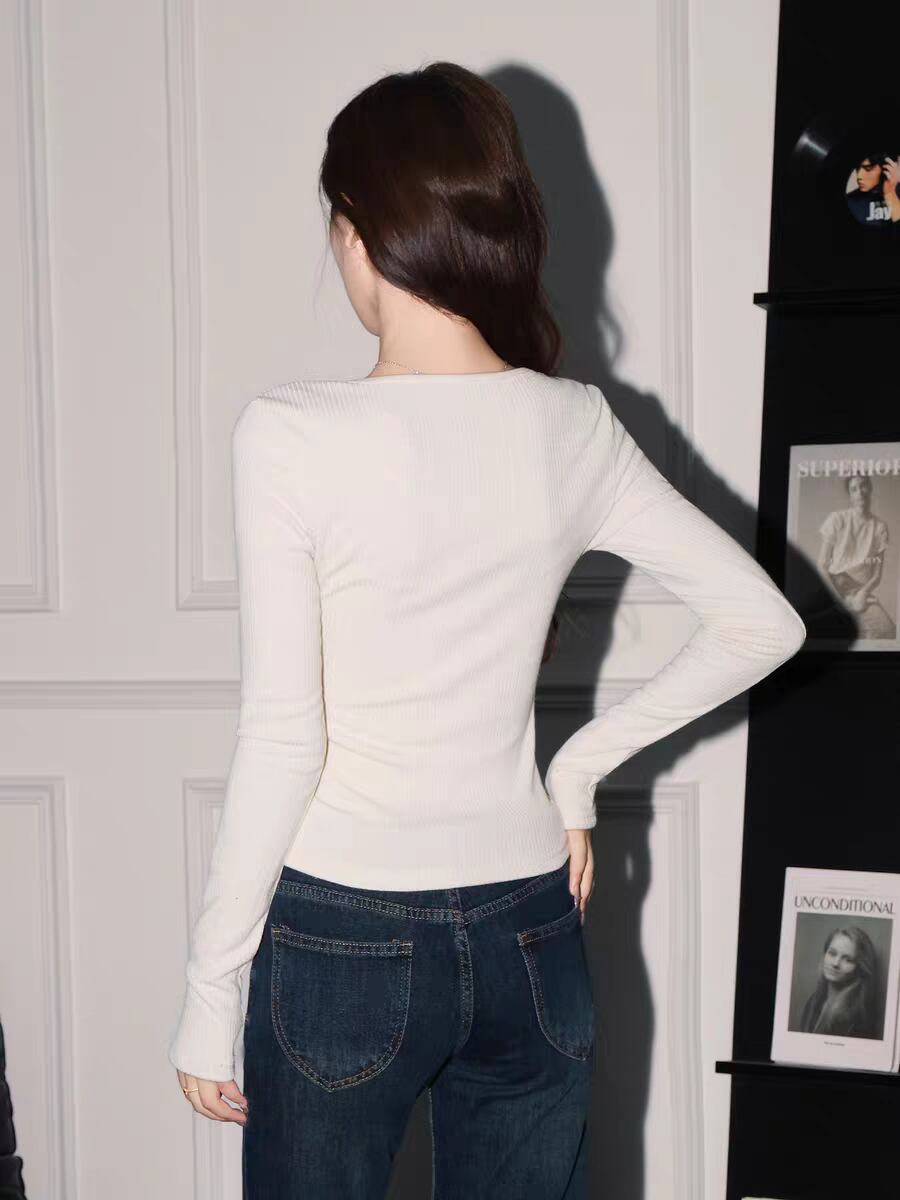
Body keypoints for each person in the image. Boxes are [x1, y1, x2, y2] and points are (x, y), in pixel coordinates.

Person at [167, 61, 806, 1198]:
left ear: (358, 231)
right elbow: (764, 621)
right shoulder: (572, 425)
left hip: (343, 939)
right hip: (530, 933)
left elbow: (284, 739)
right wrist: (578, 771)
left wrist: (211, 992)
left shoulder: (290, 435)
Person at [816, 473, 896, 640]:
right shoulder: (837, 519)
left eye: (863, 486)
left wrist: (863, 593)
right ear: (850, 495)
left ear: (870, 489)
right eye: (854, 489)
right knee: (828, 635)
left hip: (859, 591)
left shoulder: (880, 527)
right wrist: (838, 601)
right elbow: (822, 566)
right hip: (834, 586)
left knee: (887, 631)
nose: (859, 492)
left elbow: (877, 575)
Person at [798, 926, 882, 1040]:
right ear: (825, 954)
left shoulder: (858, 1017)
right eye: (832, 953)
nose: (836, 963)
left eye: (848, 960)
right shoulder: (814, 1000)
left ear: (860, 968)